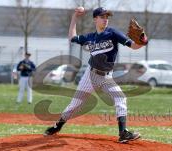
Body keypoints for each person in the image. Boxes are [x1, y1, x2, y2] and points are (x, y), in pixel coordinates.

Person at [44, 7, 147, 143]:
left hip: (106, 77)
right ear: (95, 19)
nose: (105, 19)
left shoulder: (113, 33)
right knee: (75, 105)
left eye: (107, 17)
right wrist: (75, 17)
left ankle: (123, 133)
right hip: (90, 76)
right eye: (102, 17)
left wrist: (143, 40)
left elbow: (133, 45)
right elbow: (72, 37)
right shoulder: (90, 37)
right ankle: (57, 126)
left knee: (121, 99)